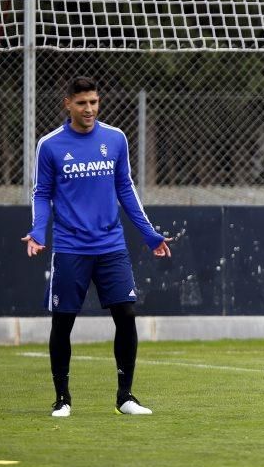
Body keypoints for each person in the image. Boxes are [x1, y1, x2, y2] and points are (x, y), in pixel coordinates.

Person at [22, 77, 172, 418]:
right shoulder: (50, 145)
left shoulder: (115, 138)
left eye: (93, 102)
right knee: (63, 322)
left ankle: (125, 397)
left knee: (126, 315)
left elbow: (126, 188)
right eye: (81, 103)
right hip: (71, 247)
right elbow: (41, 194)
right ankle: (62, 398)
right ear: (68, 104)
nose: (88, 109)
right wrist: (38, 231)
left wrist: (150, 235)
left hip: (111, 246)